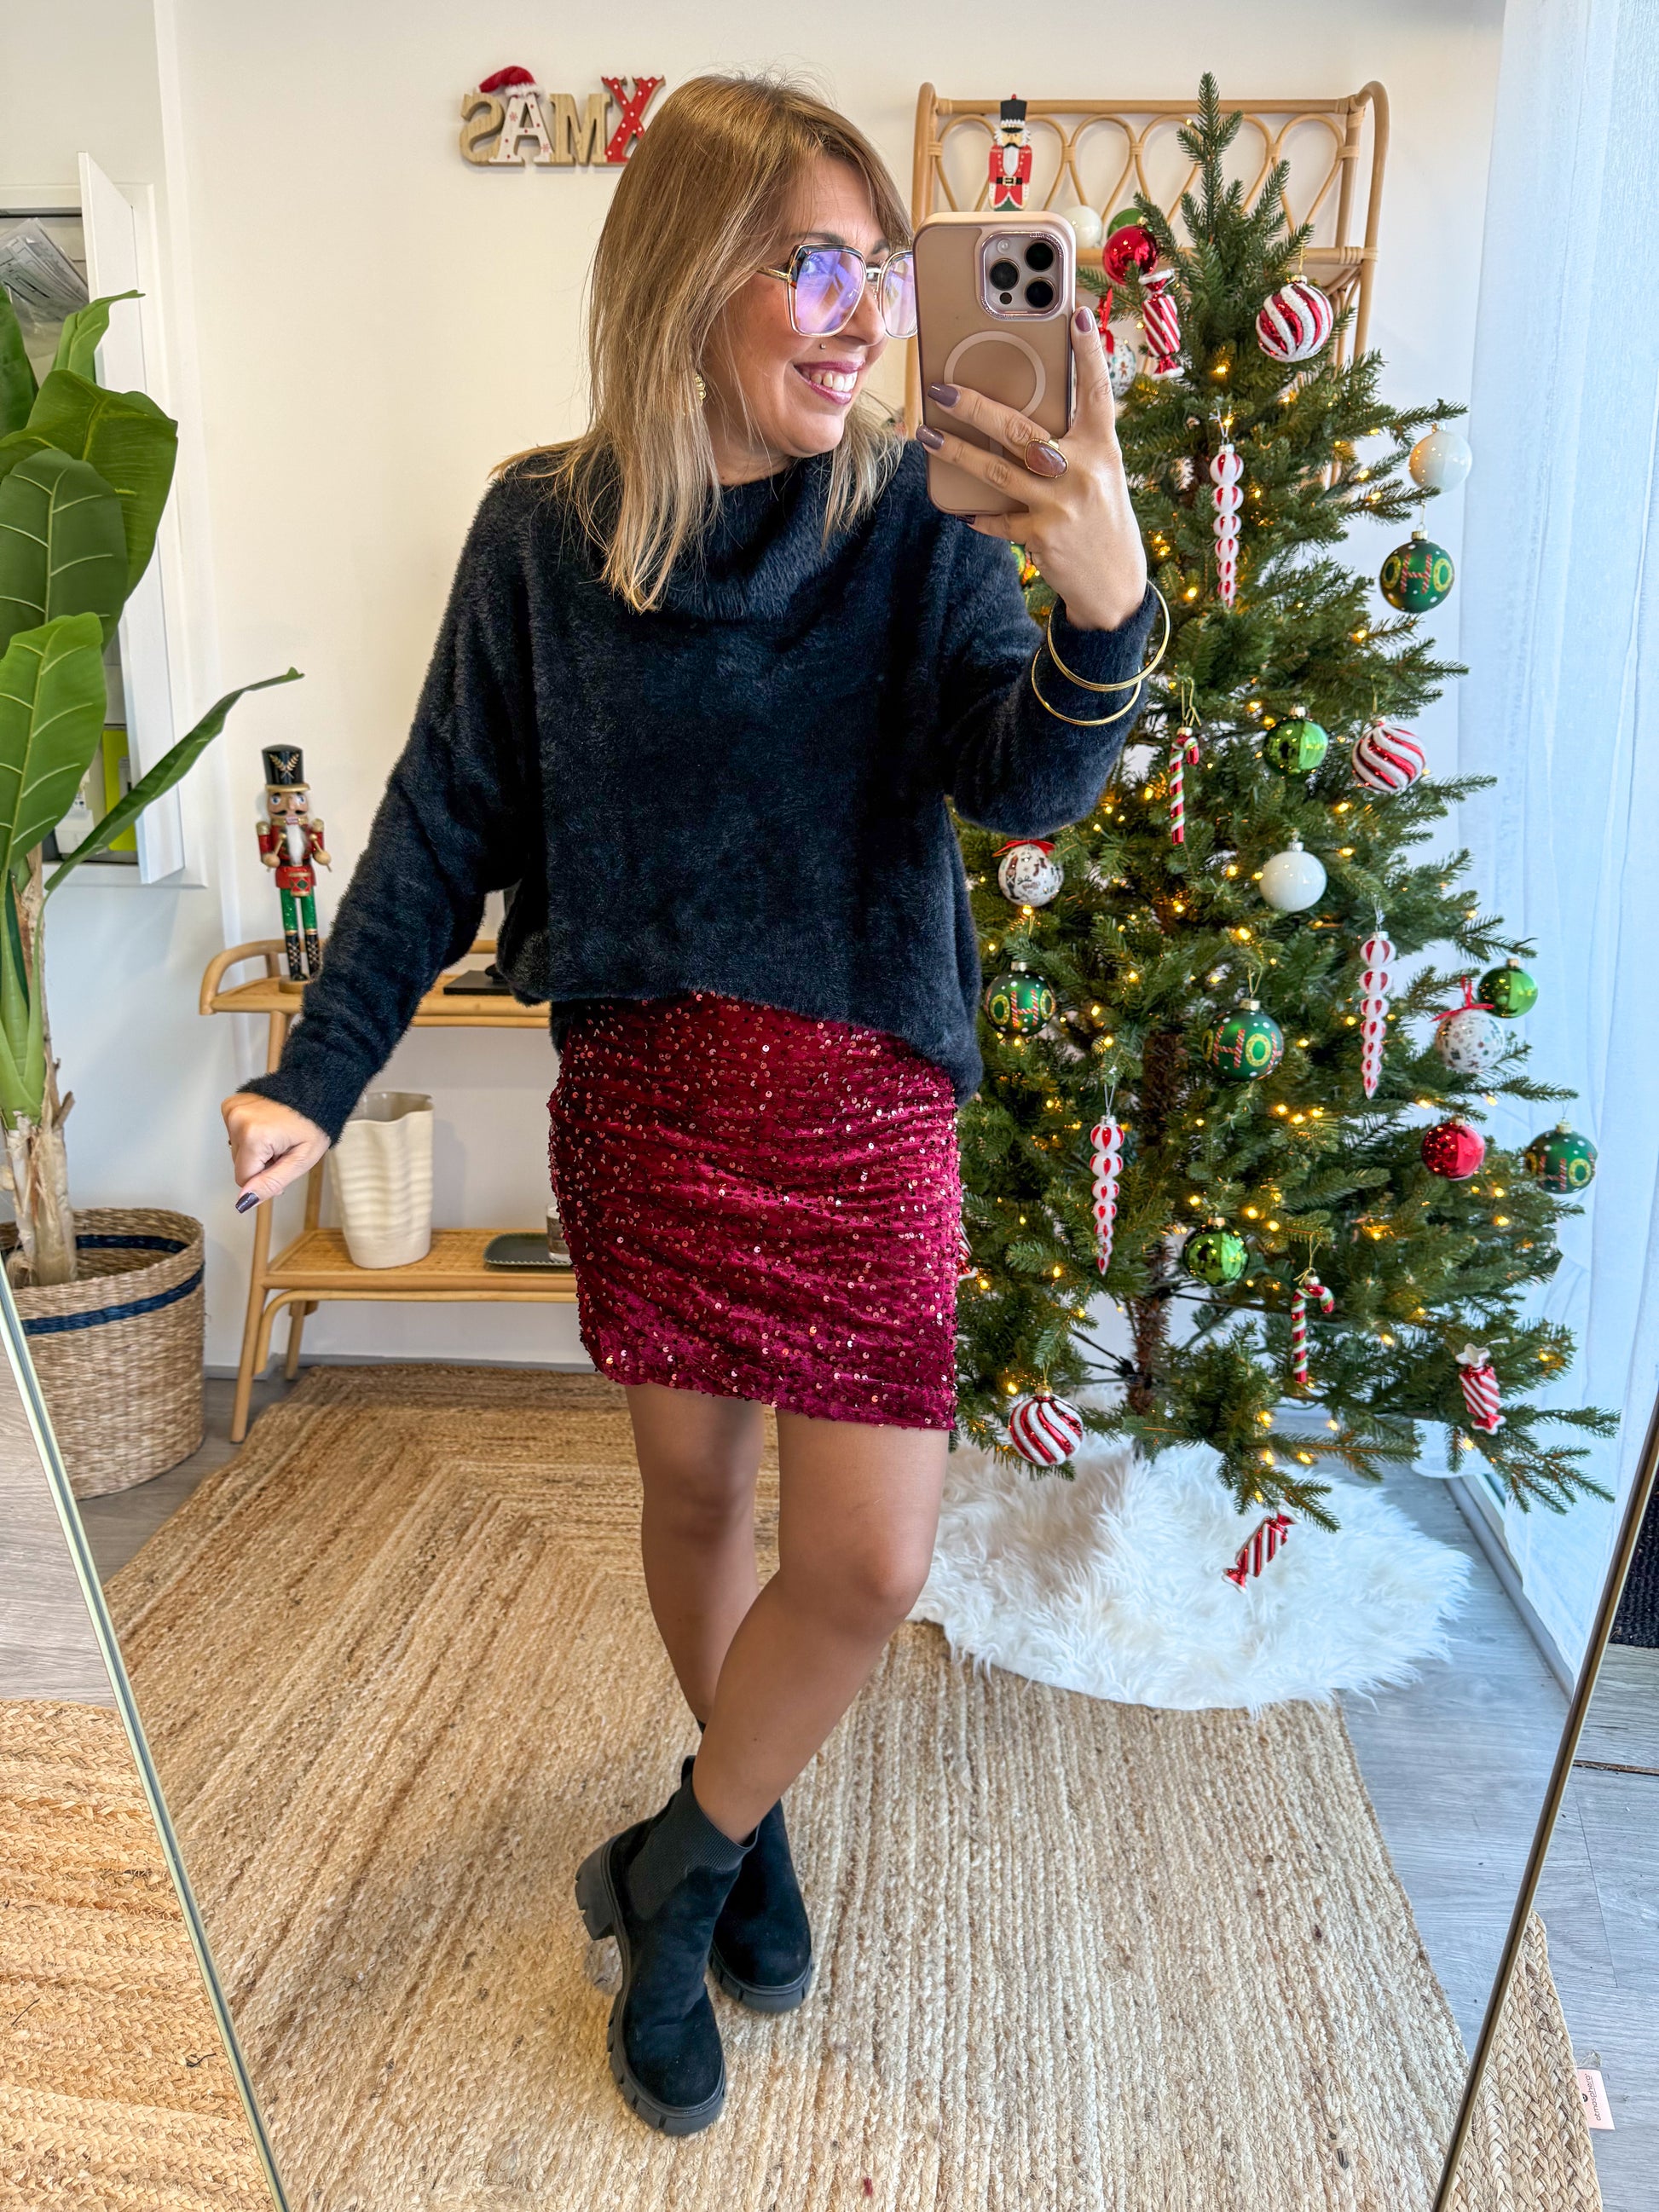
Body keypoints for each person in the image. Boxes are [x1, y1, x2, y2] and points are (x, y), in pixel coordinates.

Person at [222, 73, 1151, 2137]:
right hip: (646, 1100)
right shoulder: (540, 532)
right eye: (817, 267)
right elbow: (441, 821)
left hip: (863, 1110)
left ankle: (682, 1850)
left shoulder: (916, 516)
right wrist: (317, 1070)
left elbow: (1021, 777)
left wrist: (1102, 613)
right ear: (688, 270)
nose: (865, 317)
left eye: (878, 276)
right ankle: (746, 1812)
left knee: (869, 1564)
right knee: (695, 1502)